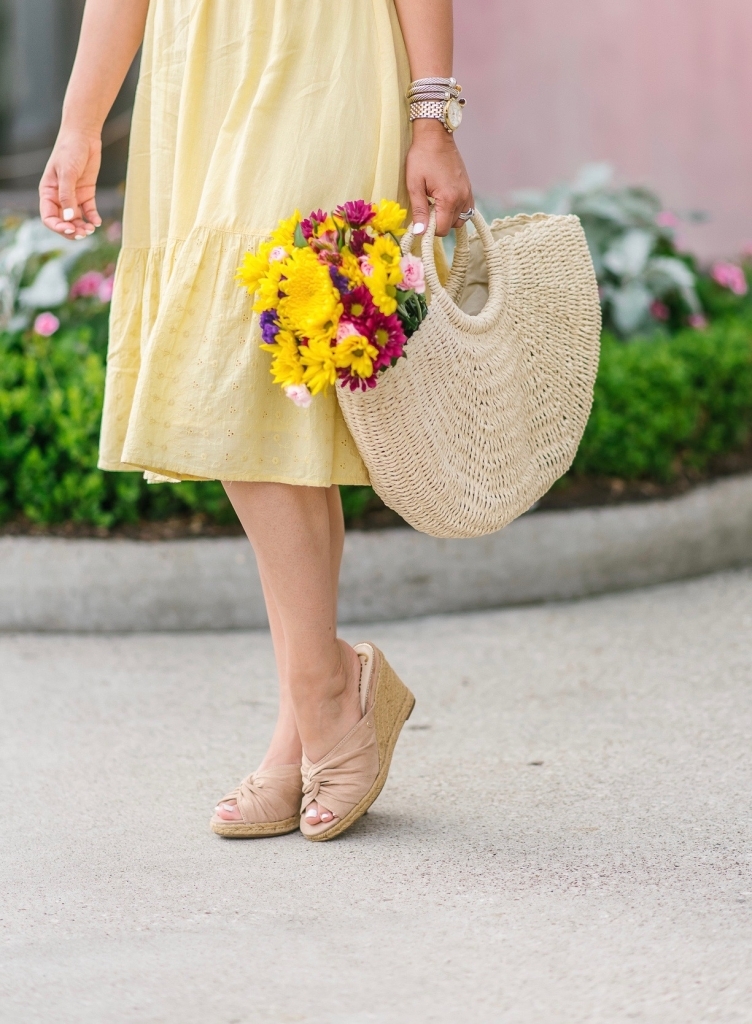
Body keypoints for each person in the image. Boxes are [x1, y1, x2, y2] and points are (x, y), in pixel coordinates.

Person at [41, 0, 474, 841]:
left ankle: (324, 695)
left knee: (260, 349)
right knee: (282, 398)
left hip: (323, 53)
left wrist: (432, 116)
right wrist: (80, 120)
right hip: (195, 72)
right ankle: (302, 729)